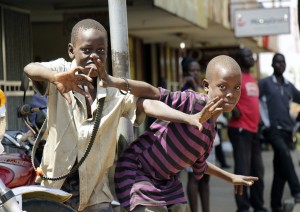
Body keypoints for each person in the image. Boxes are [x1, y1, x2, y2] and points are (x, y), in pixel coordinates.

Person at [24, 19, 208, 212]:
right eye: (86, 50)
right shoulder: (61, 71)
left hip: (95, 195)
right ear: (71, 50)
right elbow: (30, 68)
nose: (94, 56)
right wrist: (53, 77)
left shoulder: (113, 93)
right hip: (54, 188)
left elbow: (148, 103)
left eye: (101, 50)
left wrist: (188, 118)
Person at [114, 55, 259, 212]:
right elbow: (152, 92)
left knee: (180, 208)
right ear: (206, 85)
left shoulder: (210, 134)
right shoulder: (191, 101)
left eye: (236, 87)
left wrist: (230, 177)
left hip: (167, 182)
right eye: (223, 87)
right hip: (138, 170)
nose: (231, 94)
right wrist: (113, 81)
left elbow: (200, 165)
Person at [259, 53, 300, 212]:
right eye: (277, 62)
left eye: (282, 62)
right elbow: (254, 100)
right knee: (284, 154)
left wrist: (297, 122)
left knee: (280, 169)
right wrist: (262, 121)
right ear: (272, 64)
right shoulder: (265, 83)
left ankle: (275, 205)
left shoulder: (289, 85)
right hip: (272, 129)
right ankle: (297, 190)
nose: (280, 64)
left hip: (287, 131)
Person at [228, 48, 266, 212]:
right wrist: (232, 108)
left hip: (253, 130)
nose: (252, 58)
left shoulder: (252, 78)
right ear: (239, 59)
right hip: (240, 130)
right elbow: (223, 94)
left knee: (258, 170)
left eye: (251, 56)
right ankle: (243, 207)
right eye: (248, 56)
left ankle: (258, 205)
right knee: (242, 170)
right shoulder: (236, 78)